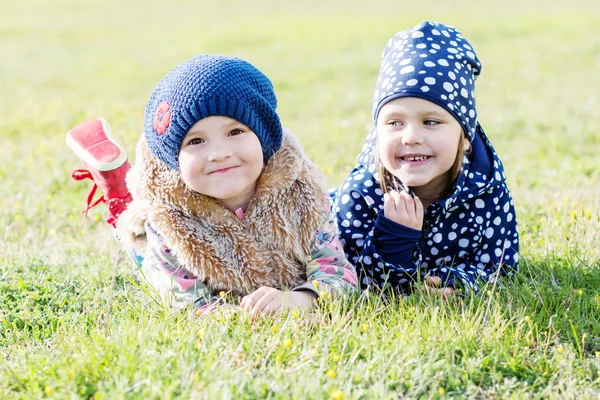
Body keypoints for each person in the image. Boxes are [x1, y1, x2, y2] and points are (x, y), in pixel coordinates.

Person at [67, 55, 358, 316]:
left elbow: (339, 274)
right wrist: (247, 317)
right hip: (157, 244)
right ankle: (118, 188)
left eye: (235, 131)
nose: (218, 153)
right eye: (196, 141)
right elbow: (188, 306)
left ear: (262, 137)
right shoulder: (167, 221)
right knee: (135, 239)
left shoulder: (302, 193)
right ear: (175, 159)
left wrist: (299, 301)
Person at [332, 21, 518, 296]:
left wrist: (458, 283)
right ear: (376, 132)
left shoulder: (486, 190)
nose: (410, 137)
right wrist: (394, 240)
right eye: (395, 123)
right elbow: (345, 278)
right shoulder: (362, 193)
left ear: (465, 137)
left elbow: (500, 269)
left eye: (430, 121)